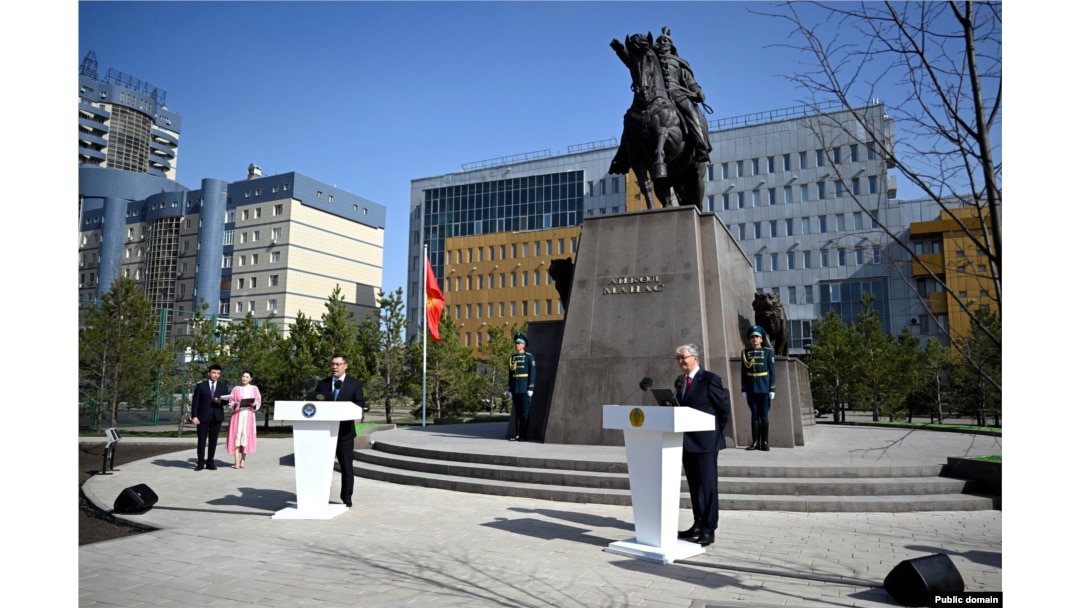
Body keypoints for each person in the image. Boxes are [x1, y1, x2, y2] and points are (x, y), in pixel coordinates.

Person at [674, 343, 730, 547]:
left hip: (706, 442)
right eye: (678, 358)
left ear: (695, 358)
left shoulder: (710, 379)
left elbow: (723, 410)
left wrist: (713, 431)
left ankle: (708, 529)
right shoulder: (681, 382)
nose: (681, 361)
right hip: (686, 442)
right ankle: (697, 524)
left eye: (684, 357)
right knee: (695, 487)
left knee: (708, 487)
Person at [653, 27, 712, 163]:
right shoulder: (652, 60)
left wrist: (697, 91)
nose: (662, 42)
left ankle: (700, 145)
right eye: (660, 41)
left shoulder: (678, 63)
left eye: (665, 40)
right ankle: (624, 155)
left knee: (691, 111)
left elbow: (690, 81)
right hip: (655, 94)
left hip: (676, 92)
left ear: (670, 45)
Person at [315, 354, 366, 507]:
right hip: (325, 432)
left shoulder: (353, 384)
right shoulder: (322, 384)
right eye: (332, 364)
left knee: (346, 467)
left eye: (338, 364)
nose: (334, 367)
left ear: (345, 366)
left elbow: (360, 403)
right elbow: (315, 403)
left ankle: (346, 497)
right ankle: (319, 495)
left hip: (345, 433)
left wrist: (349, 410)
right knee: (322, 467)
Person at [741, 325, 777, 451]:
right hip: (751, 388)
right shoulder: (745, 353)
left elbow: (772, 372)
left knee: (764, 416)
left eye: (757, 337)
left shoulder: (768, 352)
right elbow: (743, 372)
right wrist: (744, 389)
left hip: (764, 388)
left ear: (761, 340)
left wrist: (772, 389)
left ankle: (765, 442)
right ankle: (755, 442)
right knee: (754, 415)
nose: (754, 339)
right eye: (752, 337)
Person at [190, 364, 230, 471]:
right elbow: (195, 402)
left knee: (213, 440)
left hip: (217, 417)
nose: (216, 375)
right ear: (209, 373)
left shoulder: (223, 386)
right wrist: (194, 416)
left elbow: (227, 401)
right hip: (203, 417)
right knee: (202, 440)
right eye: (214, 373)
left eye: (218, 373)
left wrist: (220, 401)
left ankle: (210, 462)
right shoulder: (201, 386)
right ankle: (200, 462)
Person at [226, 371, 262, 469]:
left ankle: (243, 459)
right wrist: (235, 404)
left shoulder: (254, 388)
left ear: (250, 379)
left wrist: (254, 404)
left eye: (247, 377)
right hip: (237, 415)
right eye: (243, 376)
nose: (244, 378)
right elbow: (231, 402)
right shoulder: (236, 389)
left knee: (246, 436)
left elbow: (258, 401)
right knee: (236, 436)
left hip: (248, 415)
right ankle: (236, 460)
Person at [507, 333, 536, 442]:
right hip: (515, 389)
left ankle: (524, 435)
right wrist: (510, 389)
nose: (516, 345)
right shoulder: (513, 358)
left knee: (525, 413)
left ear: (523, 345)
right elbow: (510, 374)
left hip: (524, 389)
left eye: (518, 343)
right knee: (518, 413)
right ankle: (518, 434)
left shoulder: (529, 357)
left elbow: (532, 373)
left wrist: (530, 388)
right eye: (516, 343)